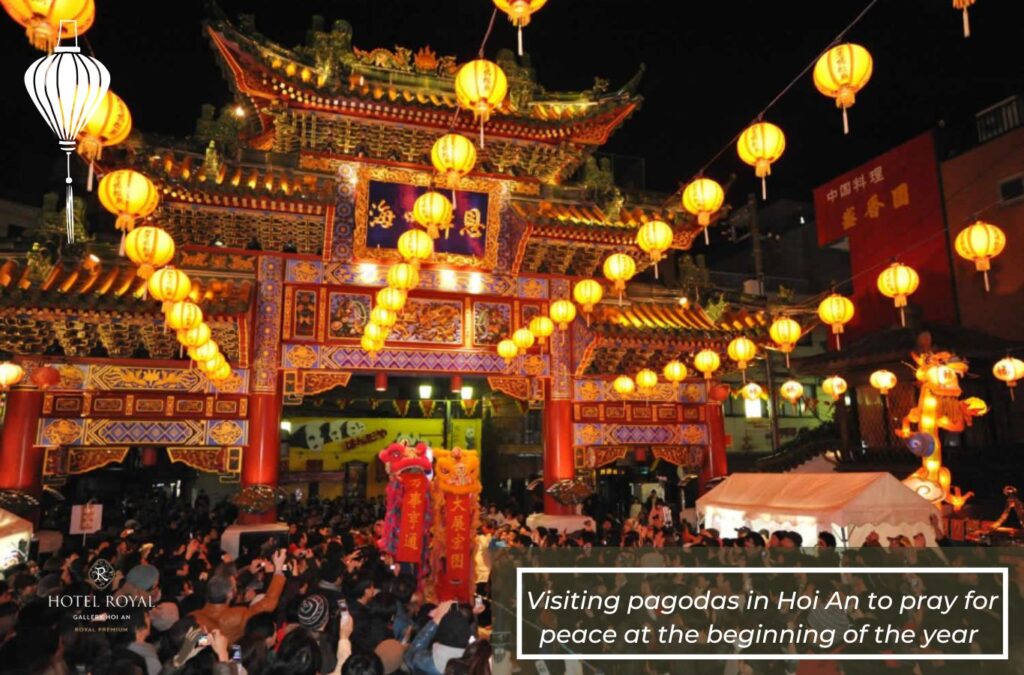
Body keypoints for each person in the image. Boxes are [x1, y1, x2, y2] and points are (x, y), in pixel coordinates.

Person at [192, 548, 288, 643]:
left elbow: (201, 642)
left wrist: (250, 571)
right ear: (229, 594)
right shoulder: (237, 616)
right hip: (234, 655)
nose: (236, 586)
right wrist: (278, 570)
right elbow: (268, 603)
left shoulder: (194, 617)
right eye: (234, 586)